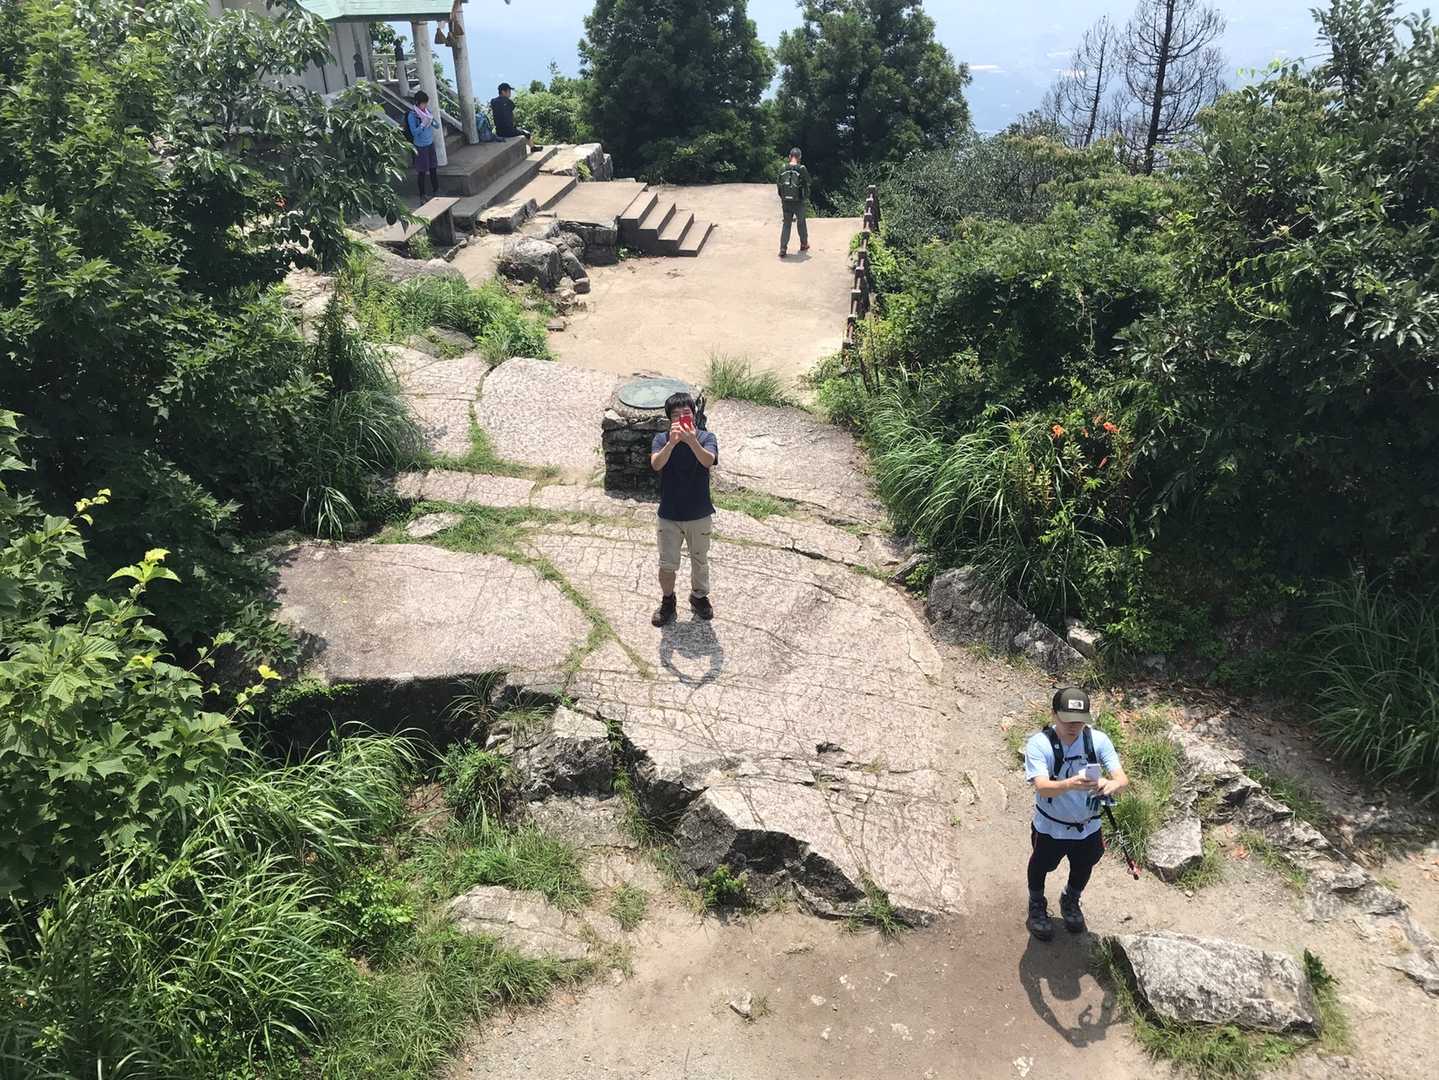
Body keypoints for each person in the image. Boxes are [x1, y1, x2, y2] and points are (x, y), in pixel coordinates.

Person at [1022, 687, 1129, 941]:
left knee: (1084, 865)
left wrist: (1111, 785)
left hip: (1089, 826)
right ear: (1054, 715)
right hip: (1051, 826)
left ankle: (1071, 899)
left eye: (1079, 721)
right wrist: (1070, 784)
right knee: (1041, 864)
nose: (1073, 726)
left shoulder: (1098, 741)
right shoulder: (1040, 744)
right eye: (1067, 720)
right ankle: (1036, 903)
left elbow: (1122, 779)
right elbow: (1042, 787)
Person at [649, 392, 719, 627]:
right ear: (670, 419)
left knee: (700, 560)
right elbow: (656, 464)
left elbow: (708, 461)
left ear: (694, 415)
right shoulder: (661, 439)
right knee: (667, 564)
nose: (681, 418)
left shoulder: (706, 437)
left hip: (699, 513)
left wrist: (691, 441)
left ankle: (699, 596)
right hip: (669, 514)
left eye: (686, 413)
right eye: (676, 415)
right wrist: (672, 443)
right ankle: (668, 600)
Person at [777, 147, 811, 258]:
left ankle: (783, 248)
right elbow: (808, 181)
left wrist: (783, 198)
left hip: (786, 201)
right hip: (799, 201)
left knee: (786, 224)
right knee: (801, 223)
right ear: (799, 157)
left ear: (789, 156)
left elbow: (779, 184)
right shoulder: (802, 168)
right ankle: (804, 244)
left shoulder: (783, 167)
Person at [407, 91, 441, 197]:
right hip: (420, 146)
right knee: (422, 171)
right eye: (423, 103)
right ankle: (422, 194)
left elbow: (437, 126)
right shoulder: (412, 115)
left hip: (430, 143)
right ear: (417, 103)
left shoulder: (427, 111)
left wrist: (431, 121)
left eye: (426, 103)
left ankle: (436, 190)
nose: (425, 105)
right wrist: (422, 124)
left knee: (433, 168)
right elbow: (414, 132)